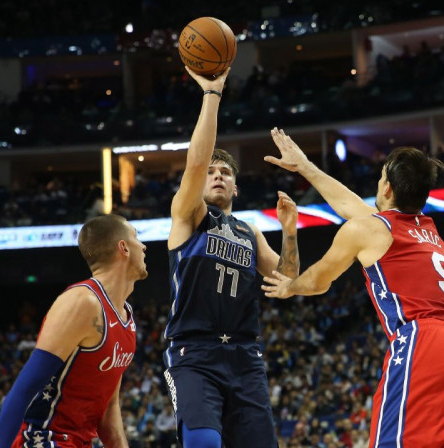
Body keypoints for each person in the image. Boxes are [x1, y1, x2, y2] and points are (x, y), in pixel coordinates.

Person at [262, 128, 444, 447]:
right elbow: (351, 205)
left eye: (381, 178)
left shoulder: (369, 231)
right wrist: (305, 166)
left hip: (431, 344)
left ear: (387, 187)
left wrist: (291, 287)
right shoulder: (427, 229)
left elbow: (319, 281)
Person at [163, 69, 300, 448]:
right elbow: (194, 162)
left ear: (236, 186)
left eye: (225, 172)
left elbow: (287, 282)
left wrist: (289, 231)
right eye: (211, 172)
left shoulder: (250, 232)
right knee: (204, 444)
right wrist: (212, 94)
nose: (217, 176)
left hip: (245, 355)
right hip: (195, 353)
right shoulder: (188, 215)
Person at [0, 214, 147, 448]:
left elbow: (109, 408)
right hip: (44, 438)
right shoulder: (83, 302)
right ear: (123, 248)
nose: (144, 246)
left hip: (79, 441)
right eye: (136, 237)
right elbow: (23, 391)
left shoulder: (126, 316)